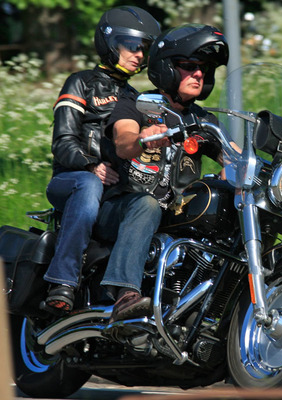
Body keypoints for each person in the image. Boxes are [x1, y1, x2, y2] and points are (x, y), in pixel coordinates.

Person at [95, 23, 229, 323]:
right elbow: (123, 142)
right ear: (167, 68)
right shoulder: (136, 104)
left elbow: (233, 155)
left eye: (204, 69)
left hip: (171, 215)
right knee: (147, 204)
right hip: (121, 208)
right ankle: (125, 294)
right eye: (190, 66)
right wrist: (143, 139)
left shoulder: (202, 120)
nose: (199, 74)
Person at [40, 6, 161, 315]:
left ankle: (125, 293)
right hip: (71, 181)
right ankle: (62, 281)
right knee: (89, 184)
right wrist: (90, 166)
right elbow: (62, 143)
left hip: (111, 196)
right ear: (109, 43)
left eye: (143, 49)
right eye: (131, 45)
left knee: (148, 204)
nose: (138, 55)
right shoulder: (80, 83)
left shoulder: (136, 98)